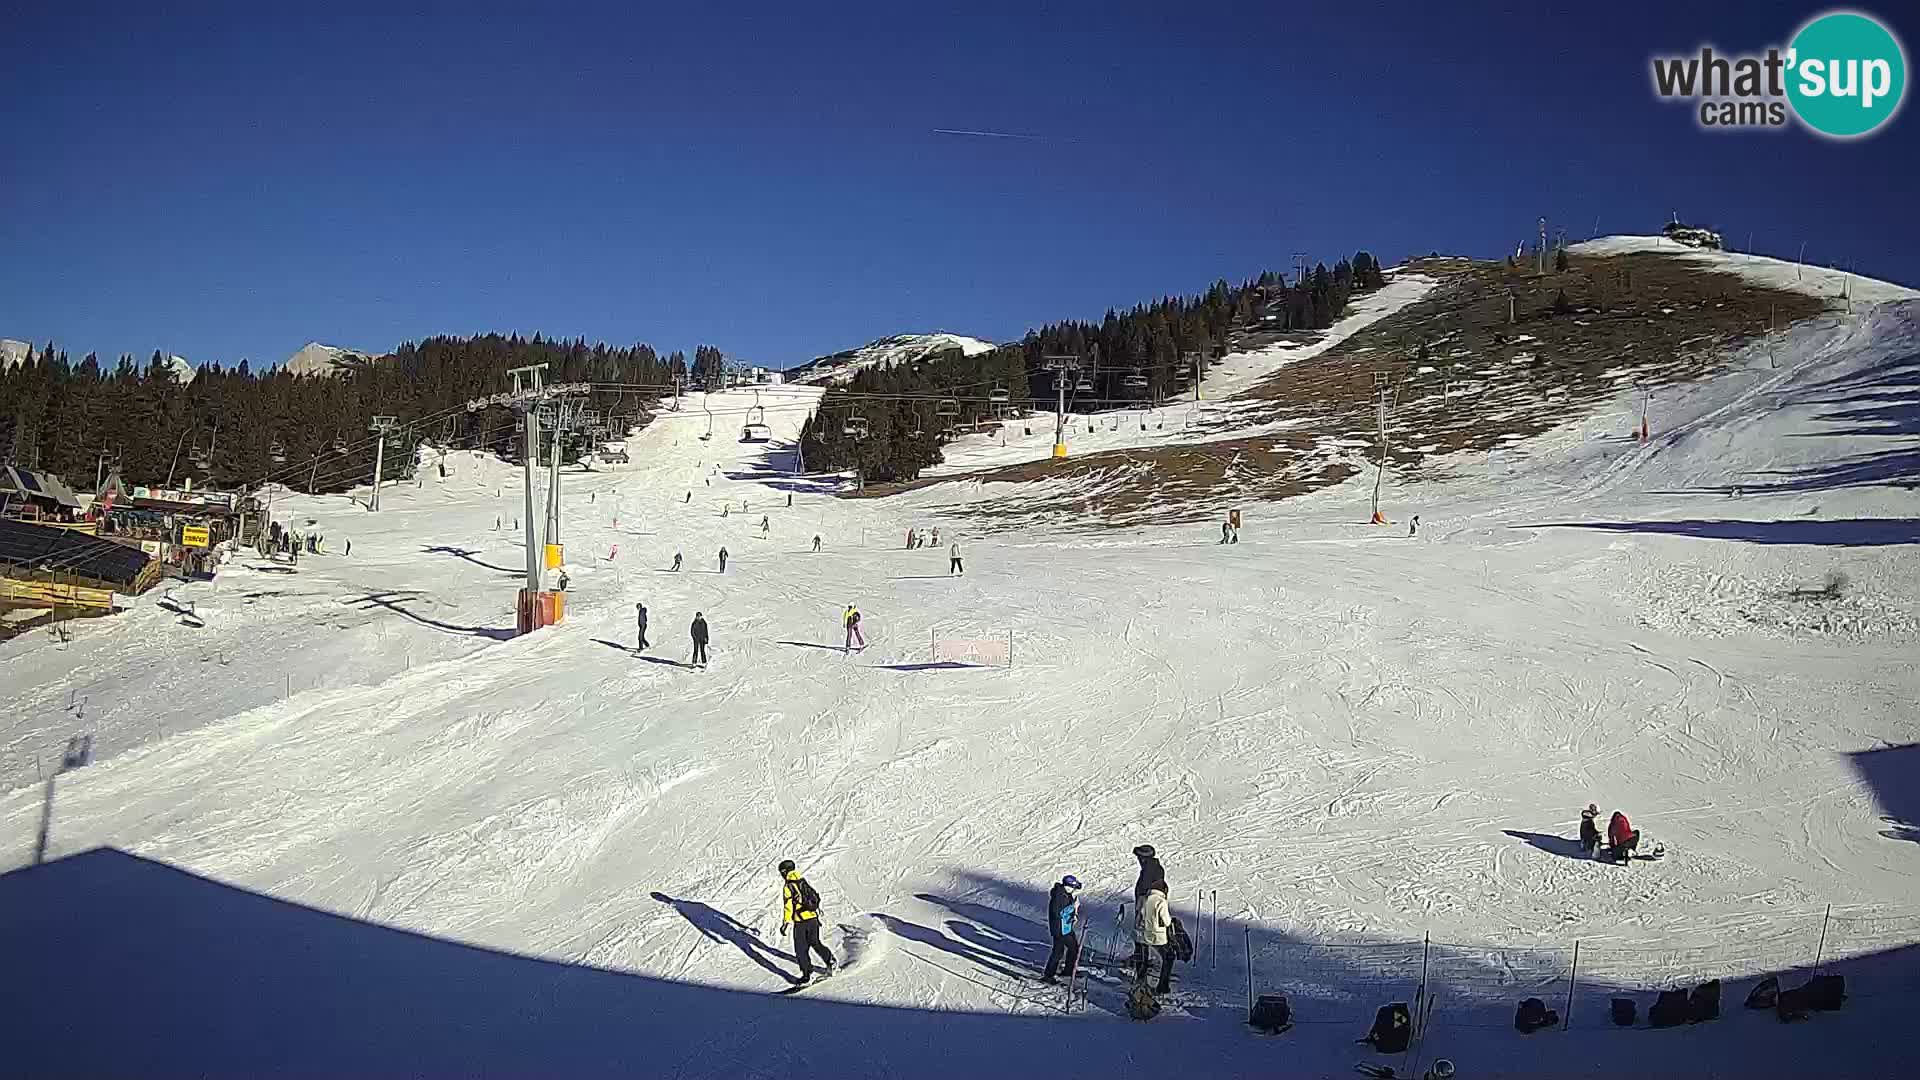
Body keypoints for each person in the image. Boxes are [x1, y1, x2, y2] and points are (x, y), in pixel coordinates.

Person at [779, 859, 835, 985]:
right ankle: (830, 961)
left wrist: (785, 923)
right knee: (815, 943)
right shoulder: (802, 881)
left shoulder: (789, 886)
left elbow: (788, 906)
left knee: (800, 949)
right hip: (813, 919)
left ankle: (806, 976)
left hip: (801, 921)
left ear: (784, 871)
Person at [1134, 880, 1174, 994]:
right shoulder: (1161, 901)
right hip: (1156, 936)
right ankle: (1163, 986)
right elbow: (1166, 921)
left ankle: (1141, 983)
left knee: (1142, 957)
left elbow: (1139, 913)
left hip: (1142, 934)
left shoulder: (1143, 898)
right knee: (1169, 957)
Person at [1042, 874, 1083, 984]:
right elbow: (1058, 913)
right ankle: (1048, 975)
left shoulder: (1066, 894)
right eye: (1073, 888)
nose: (1073, 890)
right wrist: (1073, 907)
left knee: (1073, 948)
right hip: (1059, 929)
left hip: (1066, 927)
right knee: (1058, 952)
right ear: (1068, 886)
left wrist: (1073, 913)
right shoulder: (1058, 895)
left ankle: (1068, 970)